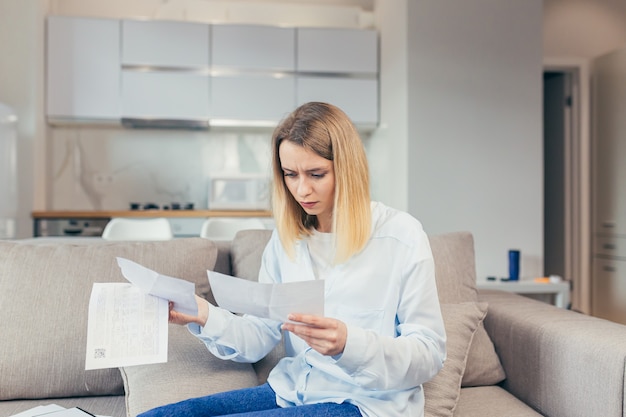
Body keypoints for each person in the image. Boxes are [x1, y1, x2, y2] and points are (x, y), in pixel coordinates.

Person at [139, 102, 446, 417]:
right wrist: (203, 313)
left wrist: (349, 344)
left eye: (316, 174)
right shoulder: (287, 240)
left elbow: (429, 352)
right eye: (290, 174)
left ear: (347, 168)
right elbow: (260, 336)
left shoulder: (401, 236)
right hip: (293, 391)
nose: (302, 189)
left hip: (364, 403)